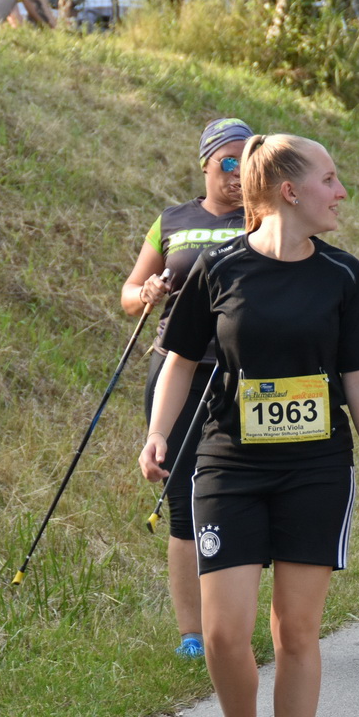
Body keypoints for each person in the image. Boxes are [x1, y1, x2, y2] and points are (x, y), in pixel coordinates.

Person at [142, 134, 359, 717]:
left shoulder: (343, 275)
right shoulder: (219, 266)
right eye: (330, 179)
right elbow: (181, 359)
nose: (341, 192)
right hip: (229, 464)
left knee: (295, 629)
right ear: (290, 190)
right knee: (224, 633)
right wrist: (159, 432)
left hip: (316, 469)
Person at [123, 117, 249, 660]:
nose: (238, 173)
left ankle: (234, 621)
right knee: (182, 499)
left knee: (239, 495)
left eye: (248, 161)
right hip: (177, 368)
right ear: (205, 164)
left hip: (242, 372)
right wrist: (146, 292)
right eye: (228, 161)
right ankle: (191, 634)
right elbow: (129, 292)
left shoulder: (265, 217)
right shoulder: (171, 220)